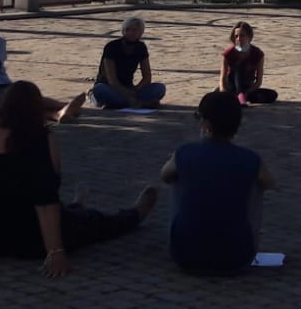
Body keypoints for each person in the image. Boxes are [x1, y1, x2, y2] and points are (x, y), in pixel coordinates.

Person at [0, 81, 158, 276]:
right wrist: (55, 252)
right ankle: (133, 214)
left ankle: (76, 206)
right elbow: (46, 198)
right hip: (32, 240)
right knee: (94, 222)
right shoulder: (42, 140)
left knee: (73, 215)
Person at [161, 90, 277, 272]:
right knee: (255, 180)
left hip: (185, 255)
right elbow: (270, 183)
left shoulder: (185, 152)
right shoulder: (250, 158)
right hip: (236, 258)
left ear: (205, 124)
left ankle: (188, 233)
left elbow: (164, 176)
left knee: (177, 173)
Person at [91, 15, 167, 109]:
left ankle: (123, 104)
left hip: (129, 88)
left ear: (140, 33)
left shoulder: (141, 47)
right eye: (128, 30)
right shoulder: (112, 47)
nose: (131, 33)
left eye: (134, 30)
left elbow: (147, 76)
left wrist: (135, 90)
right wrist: (127, 95)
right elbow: (112, 80)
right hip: (110, 87)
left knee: (160, 88)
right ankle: (140, 104)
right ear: (123, 31)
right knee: (99, 89)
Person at [219, 21, 277, 104]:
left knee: (272, 95)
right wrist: (223, 91)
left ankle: (241, 97)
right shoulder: (229, 53)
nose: (239, 39)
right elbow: (222, 78)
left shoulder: (257, 53)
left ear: (249, 37)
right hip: (231, 85)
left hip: (247, 86)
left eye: (242, 36)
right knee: (239, 67)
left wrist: (247, 92)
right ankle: (238, 96)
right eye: (236, 36)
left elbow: (258, 81)